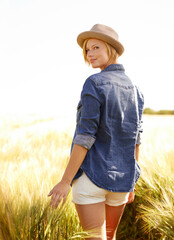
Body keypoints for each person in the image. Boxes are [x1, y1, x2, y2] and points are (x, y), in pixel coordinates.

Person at [48, 24, 144, 240]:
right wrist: (131, 182)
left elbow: (85, 136)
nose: (90, 54)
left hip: (91, 177)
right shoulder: (136, 89)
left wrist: (65, 182)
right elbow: (136, 140)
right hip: (122, 181)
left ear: (111, 48)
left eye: (96, 48)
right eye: (87, 50)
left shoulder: (94, 83)